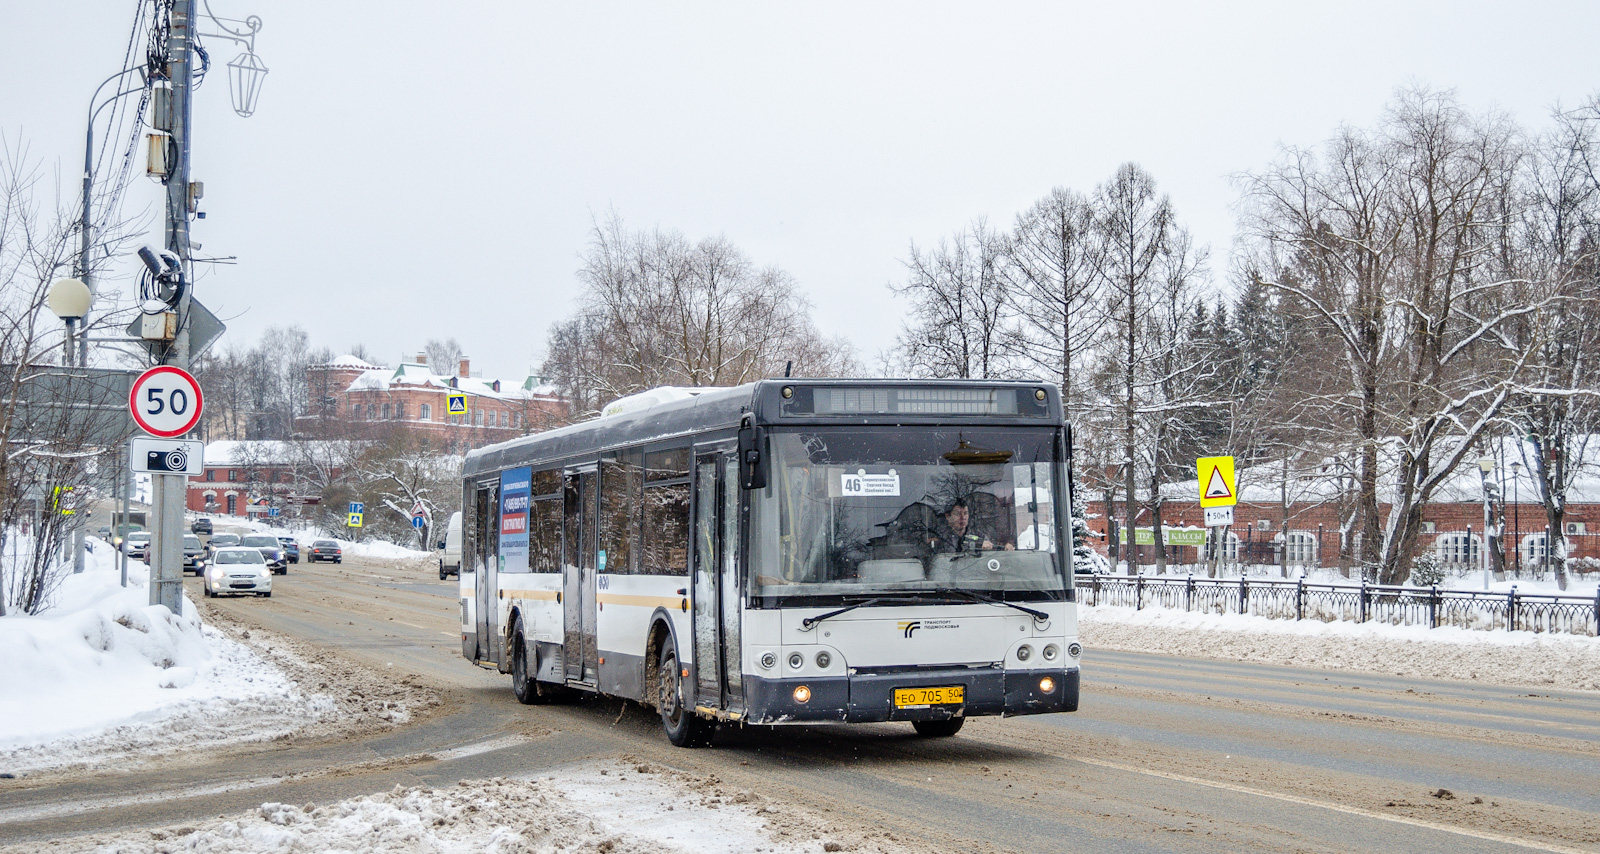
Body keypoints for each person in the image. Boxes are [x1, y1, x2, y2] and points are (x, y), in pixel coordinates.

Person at [930, 498, 1008, 553]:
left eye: (965, 513)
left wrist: (1005, 549)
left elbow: (992, 554)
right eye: (958, 514)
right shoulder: (940, 538)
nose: (963, 517)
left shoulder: (978, 535)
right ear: (948, 516)